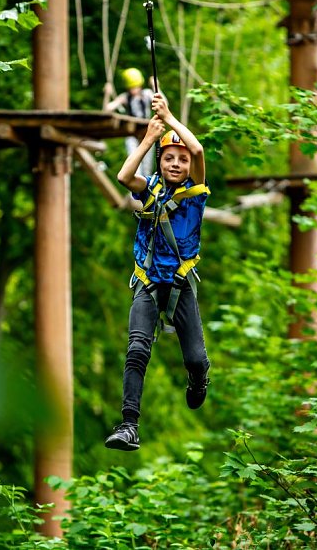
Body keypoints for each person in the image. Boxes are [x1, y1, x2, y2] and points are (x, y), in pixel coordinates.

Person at [104, 94, 211, 452]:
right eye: (170, 158)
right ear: (160, 162)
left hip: (180, 286)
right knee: (136, 349)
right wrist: (149, 137)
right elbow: (123, 176)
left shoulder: (195, 193)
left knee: (195, 358)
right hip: (148, 284)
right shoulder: (149, 188)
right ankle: (129, 425)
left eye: (181, 160)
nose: (177, 163)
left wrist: (169, 116)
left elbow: (196, 148)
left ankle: (198, 379)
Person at [103, 67, 157, 178]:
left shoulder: (147, 94)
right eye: (131, 87)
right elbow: (107, 109)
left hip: (146, 132)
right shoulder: (125, 97)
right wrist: (107, 94)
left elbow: (163, 103)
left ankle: (146, 189)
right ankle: (135, 190)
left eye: (135, 87)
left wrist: (157, 87)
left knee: (147, 166)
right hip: (132, 132)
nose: (133, 90)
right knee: (134, 160)